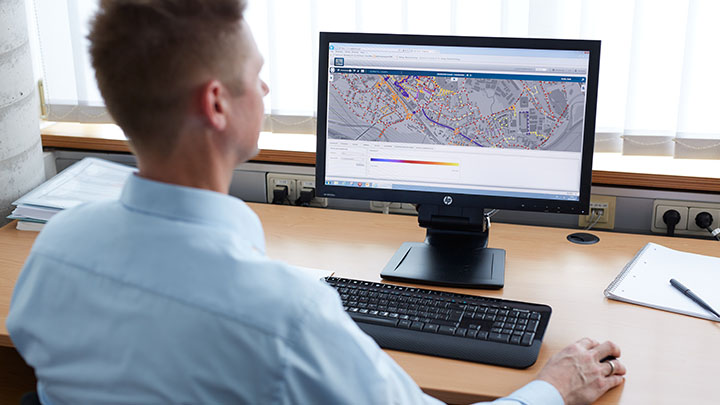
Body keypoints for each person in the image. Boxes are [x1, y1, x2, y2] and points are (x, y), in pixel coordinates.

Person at [7, 1, 626, 404]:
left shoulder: (58, 248)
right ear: (219, 103)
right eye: (257, 74)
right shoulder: (287, 315)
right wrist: (555, 386)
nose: (268, 88)